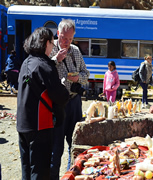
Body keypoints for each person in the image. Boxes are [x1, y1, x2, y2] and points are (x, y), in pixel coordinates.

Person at [16, 27, 69, 180]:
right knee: (40, 172)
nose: (53, 47)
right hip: (40, 125)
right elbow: (60, 95)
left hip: (23, 124)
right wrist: (65, 89)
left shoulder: (26, 62)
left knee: (26, 170)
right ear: (46, 43)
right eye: (52, 43)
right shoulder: (43, 65)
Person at [49, 19, 90, 180]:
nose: (66, 42)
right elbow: (41, 72)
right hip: (58, 104)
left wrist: (77, 79)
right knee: (56, 146)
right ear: (57, 34)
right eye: (63, 38)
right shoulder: (50, 50)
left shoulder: (75, 51)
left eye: (70, 39)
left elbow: (86, 75)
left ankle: (69, 176)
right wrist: (56, 60)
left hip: (74, 103)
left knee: (75, 144)